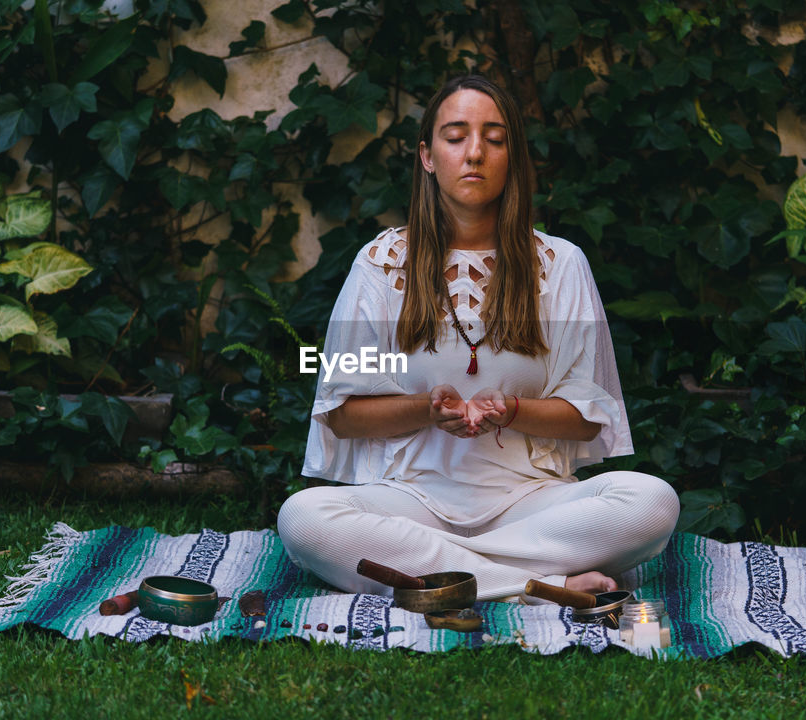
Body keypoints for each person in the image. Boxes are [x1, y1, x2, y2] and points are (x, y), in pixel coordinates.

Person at [277, 75, 679, 602]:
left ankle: (447, 573)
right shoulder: (381, 264)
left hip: (530, 504)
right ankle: (538, 584)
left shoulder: (559, 265)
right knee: (303, 517)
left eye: (494, 138)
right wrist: (425, 409)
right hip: (412, 503)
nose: (474, 153)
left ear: (512, 156)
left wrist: (512, 410)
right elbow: (342, 411)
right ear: (426, 156)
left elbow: (586, 418)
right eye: (455, 136)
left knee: (652, 500)